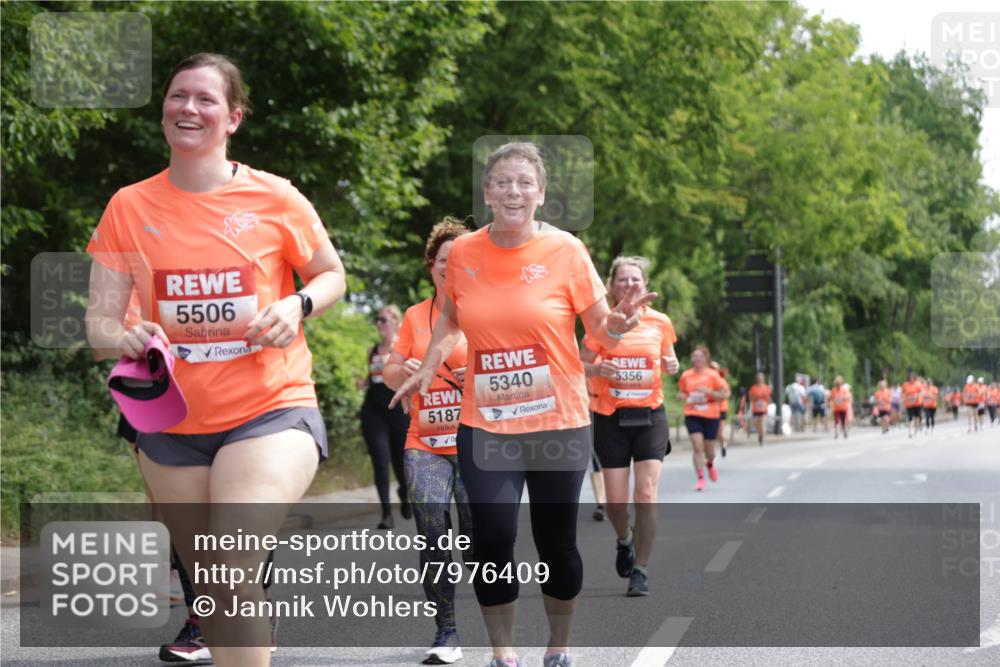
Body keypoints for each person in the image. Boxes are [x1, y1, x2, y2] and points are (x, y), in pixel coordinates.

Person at [86, 53, 345, 667]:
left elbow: (332, 274)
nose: (188, 109)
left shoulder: (274, 197)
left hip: (269, 409)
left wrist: (297, 304)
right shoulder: (129, 206)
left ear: (233, 117)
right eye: (178, 96)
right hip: (168, 425)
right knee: (217, 591)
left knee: (230, 563)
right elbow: (98, 325)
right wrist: (124, 337)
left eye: (205, 99)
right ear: (164, 112)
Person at [390, 142, 655, 667]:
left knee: (556, 542)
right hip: (486, 423)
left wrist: (619, 327)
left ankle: (557, 648)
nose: (513, 191)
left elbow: (600, 324)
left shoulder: (566, 252)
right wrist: (424, 367)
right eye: (502, 182)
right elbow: (448, 320)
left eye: (524, 183)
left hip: (558, 421)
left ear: (541, 194)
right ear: (487, 192)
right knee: (491, 538)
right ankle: (504, 654)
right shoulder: (464, 253)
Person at [383, 219, 473, 664]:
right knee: (433, 533)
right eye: (443, 260)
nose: (449, 267)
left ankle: (494, 614)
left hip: (478, 444)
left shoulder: (485, 311)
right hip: (426, 442)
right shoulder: (417, 316)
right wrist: (403, 371)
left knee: (482, 541)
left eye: (458, 260)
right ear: (432, 266)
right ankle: (446, 631)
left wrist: (474, 374)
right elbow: (389, 369)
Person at [580, 256, 679, 597]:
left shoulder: (660, 322)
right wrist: (596, 371)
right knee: (617, 504)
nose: (629, 285)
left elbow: (668, 360)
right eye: (622, 280)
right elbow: (581, 363)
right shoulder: (600, 324)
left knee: (647, 494)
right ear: (611, 286)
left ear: (645, 284)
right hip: (610, 418)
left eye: (635, 279)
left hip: (650, 416)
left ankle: (641, 569)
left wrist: (673, 363)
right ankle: (625, 540)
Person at [359, 304, 412, 528]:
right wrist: (363, 382)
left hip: (398, 411)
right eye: (378, 320)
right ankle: (386, 514)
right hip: (373, 412)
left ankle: (404, 492)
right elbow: (373, 380)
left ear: (396, 323)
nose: (379, 324)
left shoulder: (405, 350)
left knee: (401, 463)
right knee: (380, 461)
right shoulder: (372, 351)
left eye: (383, 320)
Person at [676, 347, 730, 491]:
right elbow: (681, 392)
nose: (697, 359)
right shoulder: (686, 375)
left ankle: (710, 463)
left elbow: (724, 395)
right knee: (697, 445)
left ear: (706, 359)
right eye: (695, 357)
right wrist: (681, 396)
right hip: (692, 413)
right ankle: (700, 478)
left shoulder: (713, 375)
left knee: (709, 450)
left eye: (700, 357)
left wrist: (709, 392)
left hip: (711, 414)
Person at [710, 361, 731, 455]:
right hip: (709, 410)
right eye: (710, 368)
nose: (712, 370)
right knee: (711, 433)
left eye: (714, 368)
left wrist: (716, 395)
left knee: (720, 433)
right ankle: (710, 451)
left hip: (721, 409)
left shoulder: (721, 380)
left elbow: (727, 394)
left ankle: (723, 445)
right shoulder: (705, 379)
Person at [747, 372, 771, 446]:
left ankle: (762, 439)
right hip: (756, 409)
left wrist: (766, 396)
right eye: (758, 378)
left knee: (762, 424)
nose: (759, 379)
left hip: (764, 409)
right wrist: (756, 397)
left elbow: (769, 400)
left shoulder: (767, 387)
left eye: (761, 378)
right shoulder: (753, 388)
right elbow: (751, 398)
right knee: (757, 424)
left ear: (763, 379)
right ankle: (760, 435)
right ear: (756, 379)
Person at [901, 371, 924, 438]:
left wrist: (916, 395)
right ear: (908, 378)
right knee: (910, 418)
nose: (911, 379)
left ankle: (916, 430)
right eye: (910, 378)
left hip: (917, 403)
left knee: (917, 417)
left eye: (912, 378)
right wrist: (904, 398)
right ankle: (910, 432)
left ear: (914, 378)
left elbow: (922, 392)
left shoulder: (917, 384)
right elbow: (902, 393)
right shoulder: (905, 385)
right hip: (909, 404)